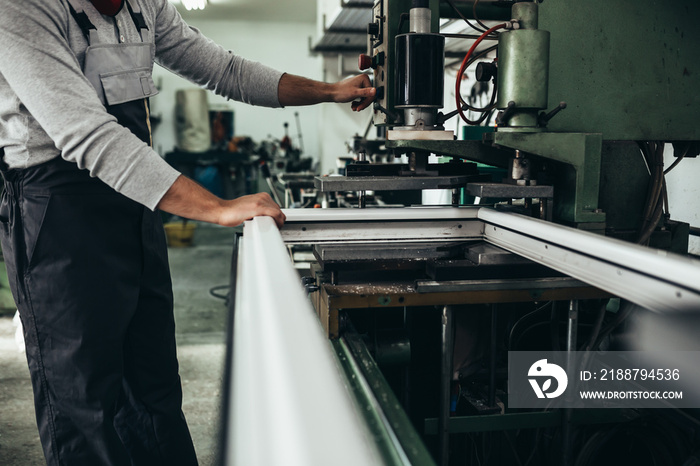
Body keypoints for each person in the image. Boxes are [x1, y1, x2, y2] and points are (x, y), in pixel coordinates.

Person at [0, 0, 376, 464]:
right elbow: (86, 133)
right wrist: (216, 208)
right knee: (83, 402)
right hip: (59, 215)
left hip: (135, 201)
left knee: (153, 388)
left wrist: (329, 91)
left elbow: (227, 71)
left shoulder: (144, 6)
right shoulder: (21, 8)